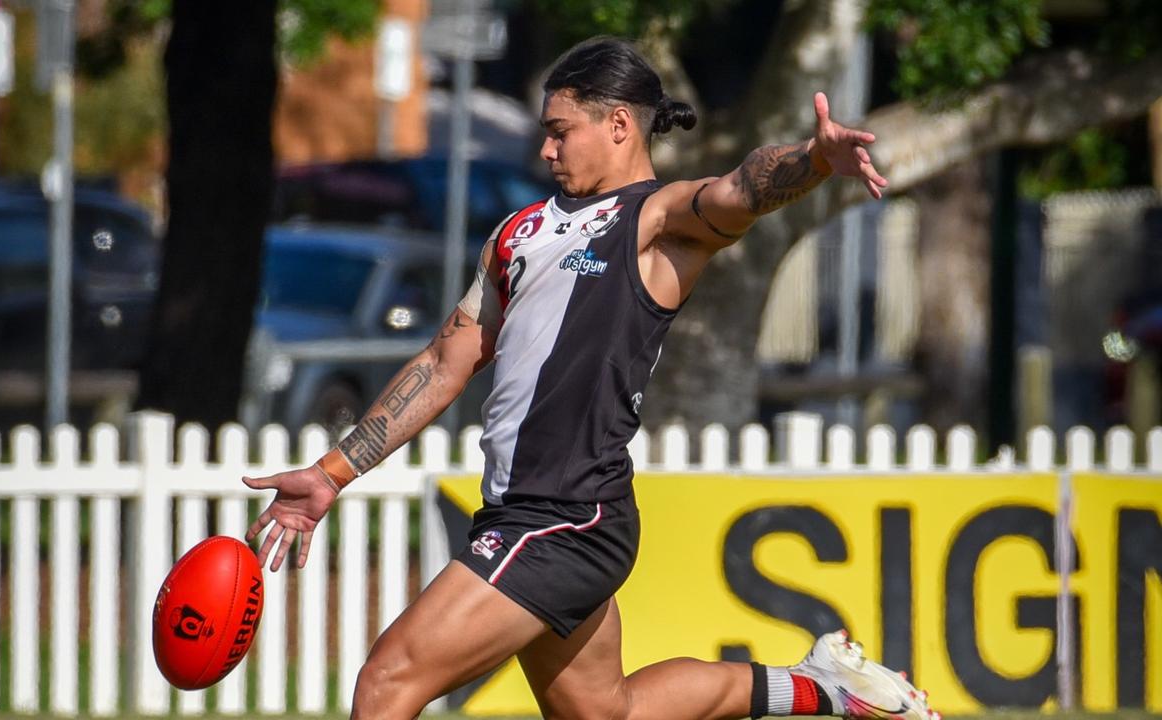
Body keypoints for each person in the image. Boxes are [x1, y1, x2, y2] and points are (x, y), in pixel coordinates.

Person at [242, 37, 936, 720]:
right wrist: (332, 473)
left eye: (558, 132)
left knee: (387, 682)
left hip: (566, 516)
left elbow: (740, 189)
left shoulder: (656, 222)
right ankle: (823, 689)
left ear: (619, 125)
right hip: (525, 512)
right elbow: (442, 363)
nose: (545, 150)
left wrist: (813, 158)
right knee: (612, 712)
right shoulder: (516, 235)